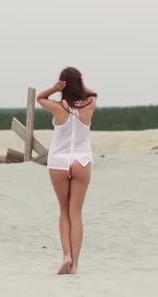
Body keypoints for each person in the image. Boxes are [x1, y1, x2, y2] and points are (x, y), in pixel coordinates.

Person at [36, 67, 98, 275]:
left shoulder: (57, 107)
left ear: (63, 84)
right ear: (79, 82)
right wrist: (80, 84)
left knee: (64, 211)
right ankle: (76, 265)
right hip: (81, 160)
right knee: (76, 215)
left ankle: (66, 256)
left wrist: (55, 88)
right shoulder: (89, 105)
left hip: (59, 161)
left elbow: (40, 98)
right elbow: (93, 94)